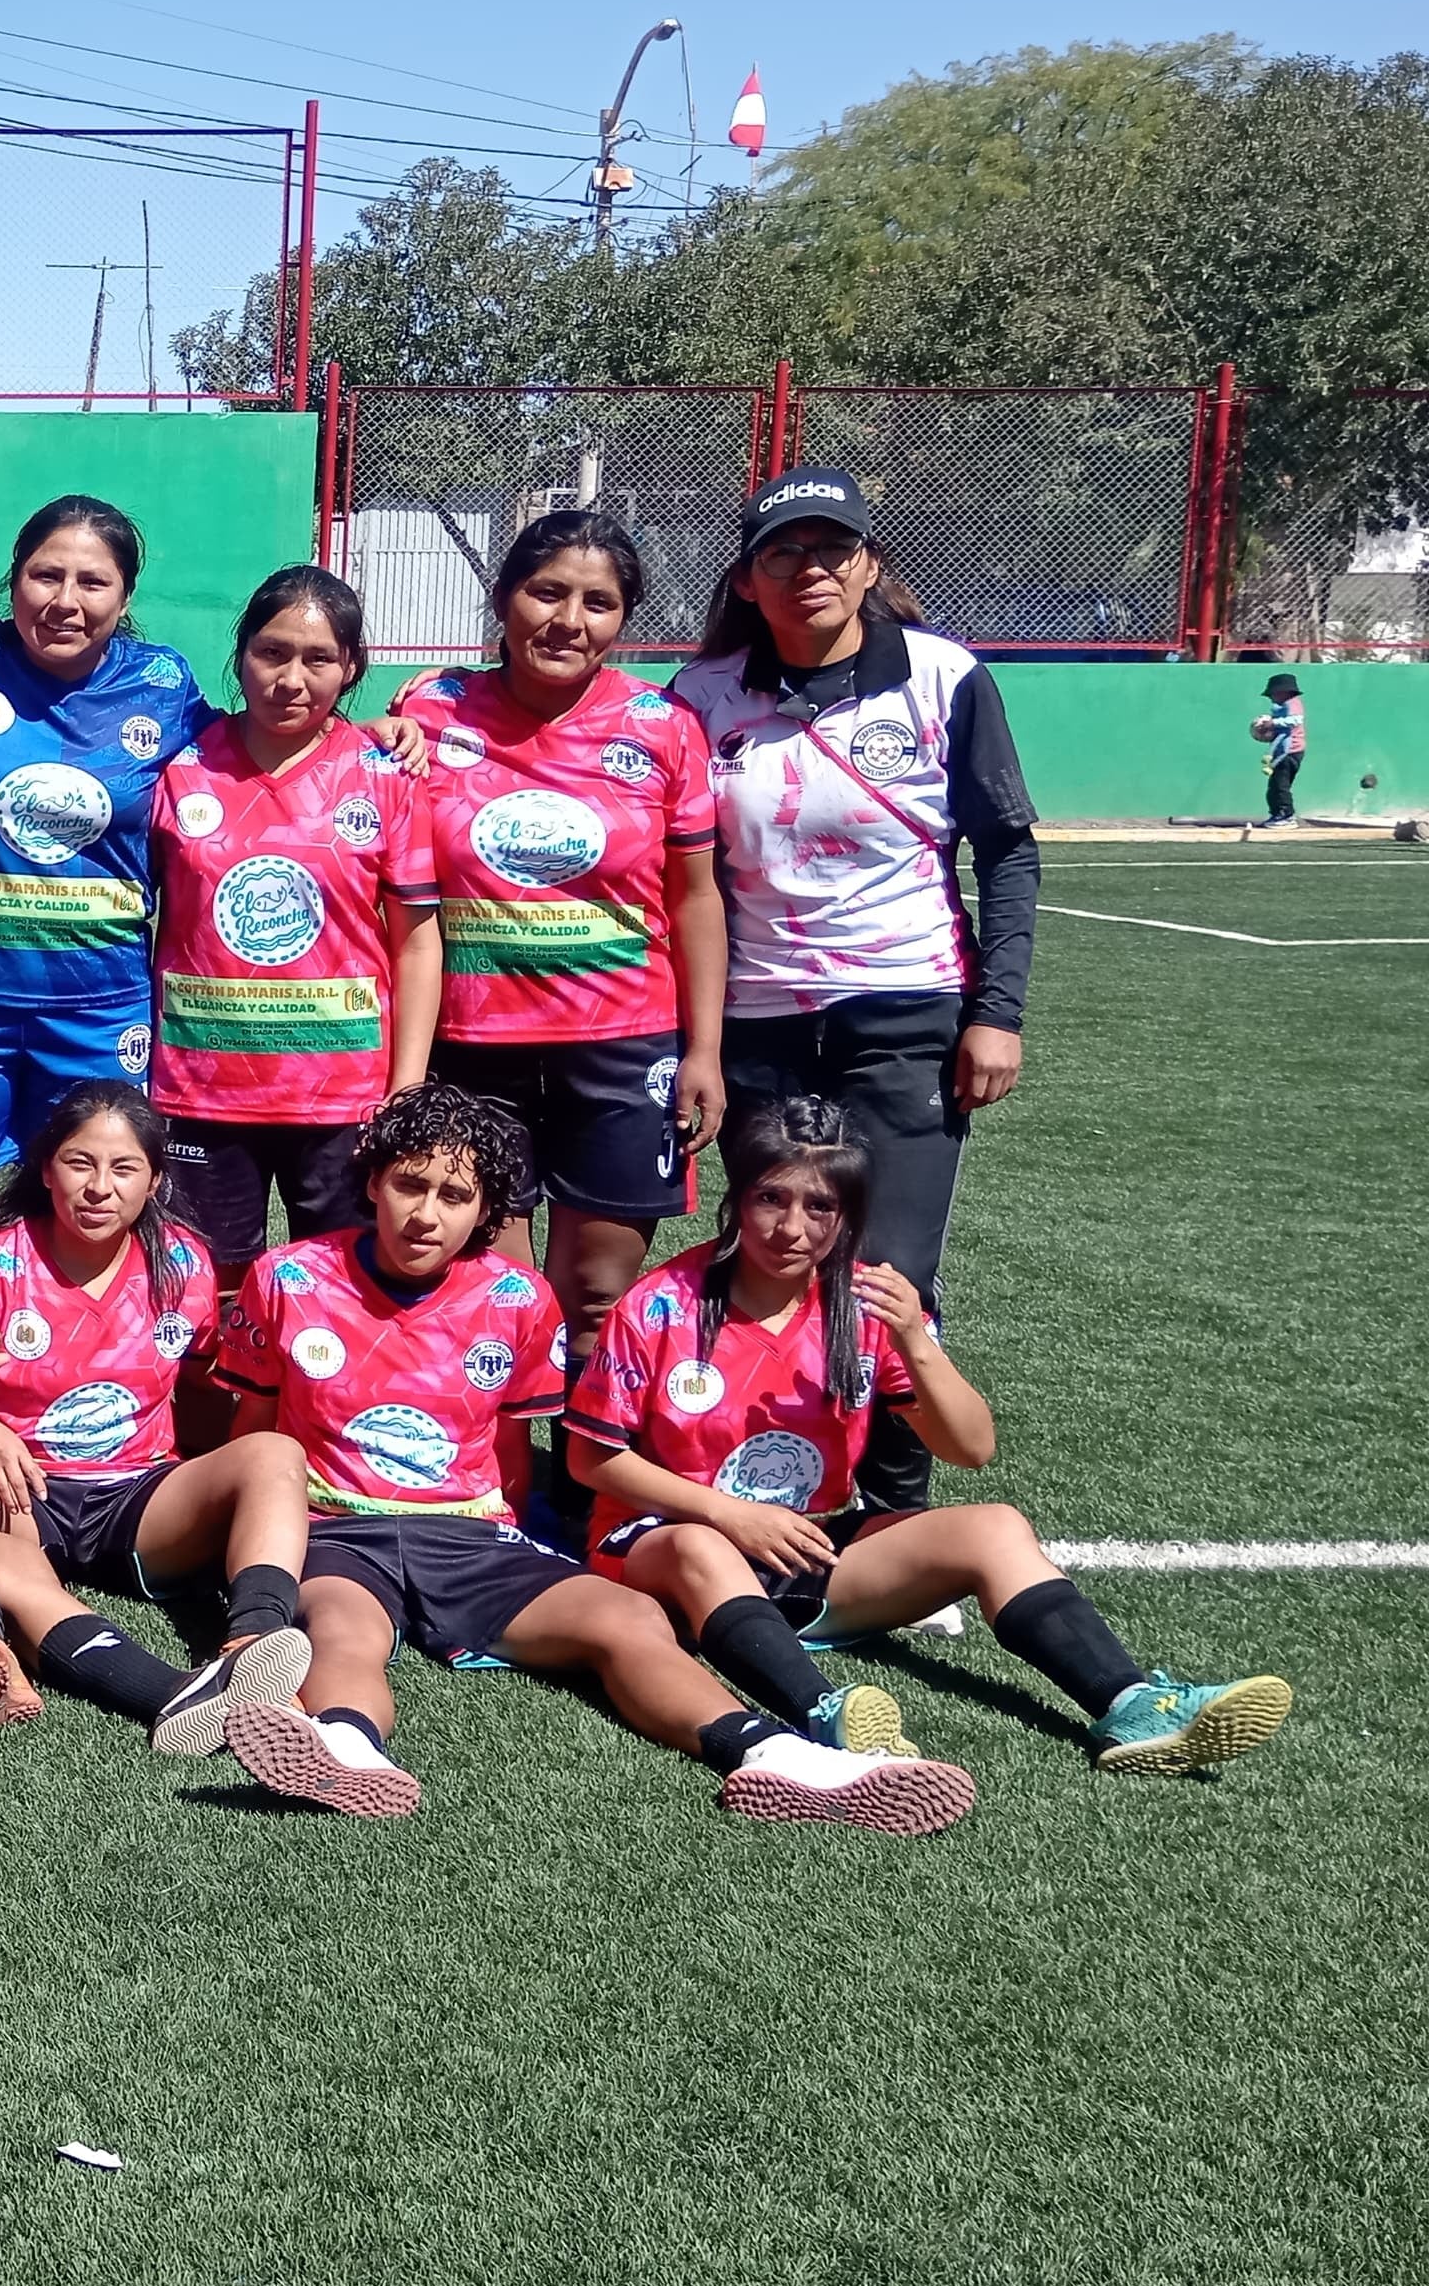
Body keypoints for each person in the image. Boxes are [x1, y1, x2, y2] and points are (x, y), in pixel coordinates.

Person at [205, 1083, 977, 1834]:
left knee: (631, 1618)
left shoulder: (518, 1295)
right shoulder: (290, 1277)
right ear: (373, 1181)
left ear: (485, 1213)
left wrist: (513, 1526)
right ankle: (346, 1749)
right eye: (409, 1185)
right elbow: (258, 1435)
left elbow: (513, 1454)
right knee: (340, 1631)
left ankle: (776, 1755)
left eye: (454, 1196)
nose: (425, 1213)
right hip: (337, 1528)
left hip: (472, 1534)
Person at [571, 1100, 1292, 1777]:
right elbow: (591, 1458)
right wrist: (730, 1514)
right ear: (739, 1201)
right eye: (772, 1199)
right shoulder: (662, 1303)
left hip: (806, 1549)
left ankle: (1129, 1705)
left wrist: (915, 1339)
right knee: (700, 1545)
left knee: (994, 1527)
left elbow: (971, 1449)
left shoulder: (867, 1304)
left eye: (820, 1206)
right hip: (665, 1550)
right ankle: (825, 1716)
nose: (792, 1228)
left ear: (848, 1216)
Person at [672, 467, 1039, 1524]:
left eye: (833, 548)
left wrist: (995, 1011)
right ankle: (756, 1484)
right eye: (782, 552)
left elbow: (1007, 851)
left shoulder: (940, 676)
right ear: (746, 578)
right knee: (768, 1258)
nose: (809, 569)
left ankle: (889, 1512)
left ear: (870, 566)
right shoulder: (701, 698)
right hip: (753, 1023)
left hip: (903, 1013)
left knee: (885, 1271)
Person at [396, 508, 725, 1523]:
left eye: (596, 603)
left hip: (619, 1048)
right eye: (545, 593)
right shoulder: (430, 707)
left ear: (622, 620)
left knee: (593, 1299)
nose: (566, 619)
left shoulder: (662, 728)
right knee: (472, 1291)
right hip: (471, 1049)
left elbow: (694, 898)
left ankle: (592, 1501)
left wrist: (700, 1049)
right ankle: (484, 1493)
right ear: (501, 602)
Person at [0, 495, 215, 1341]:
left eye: (92, 581)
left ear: (124, 597)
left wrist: (385, 728)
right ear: (13, 580)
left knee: (91, 1234)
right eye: (45, 574)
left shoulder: (164, 684)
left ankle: (90, 1427)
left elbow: (251, 756)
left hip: (100, 1013)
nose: (65, 599)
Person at [0, 1082, 320, 1741]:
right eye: (80, 1163)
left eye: (124, 1167)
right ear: (47, 1170)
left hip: (137, 1497)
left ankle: (254, 1643)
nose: (99, 1187)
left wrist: (218, 1494)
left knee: (276, 1455)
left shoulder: (184, 1265)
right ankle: (10, 1647)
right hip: (21, 1494)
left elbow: (207, 1383)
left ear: (155, 1180)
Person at [149, 568, 440, 1282]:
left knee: (349, 1285)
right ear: (241, 653)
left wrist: (403, 1089)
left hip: (345, 1096)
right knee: (203, 1297)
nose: (291, 679)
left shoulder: (385, 775)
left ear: (351, 669)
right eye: (272, 653)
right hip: (201, 1088)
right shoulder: (180, 765)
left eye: (318, 659)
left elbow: (416, 941)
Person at [1253, 671, 1308, 825]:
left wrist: (1273, 724)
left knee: (1281, 785)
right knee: (1274, 786)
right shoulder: (1282, 706)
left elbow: (1296, 720)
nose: (1271, 698)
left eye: (1273, 694)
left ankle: (1286, 815)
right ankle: (1276, 814)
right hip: (1283, 752)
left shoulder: (1293, 704)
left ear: (1284, 692)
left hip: (1291, 752)